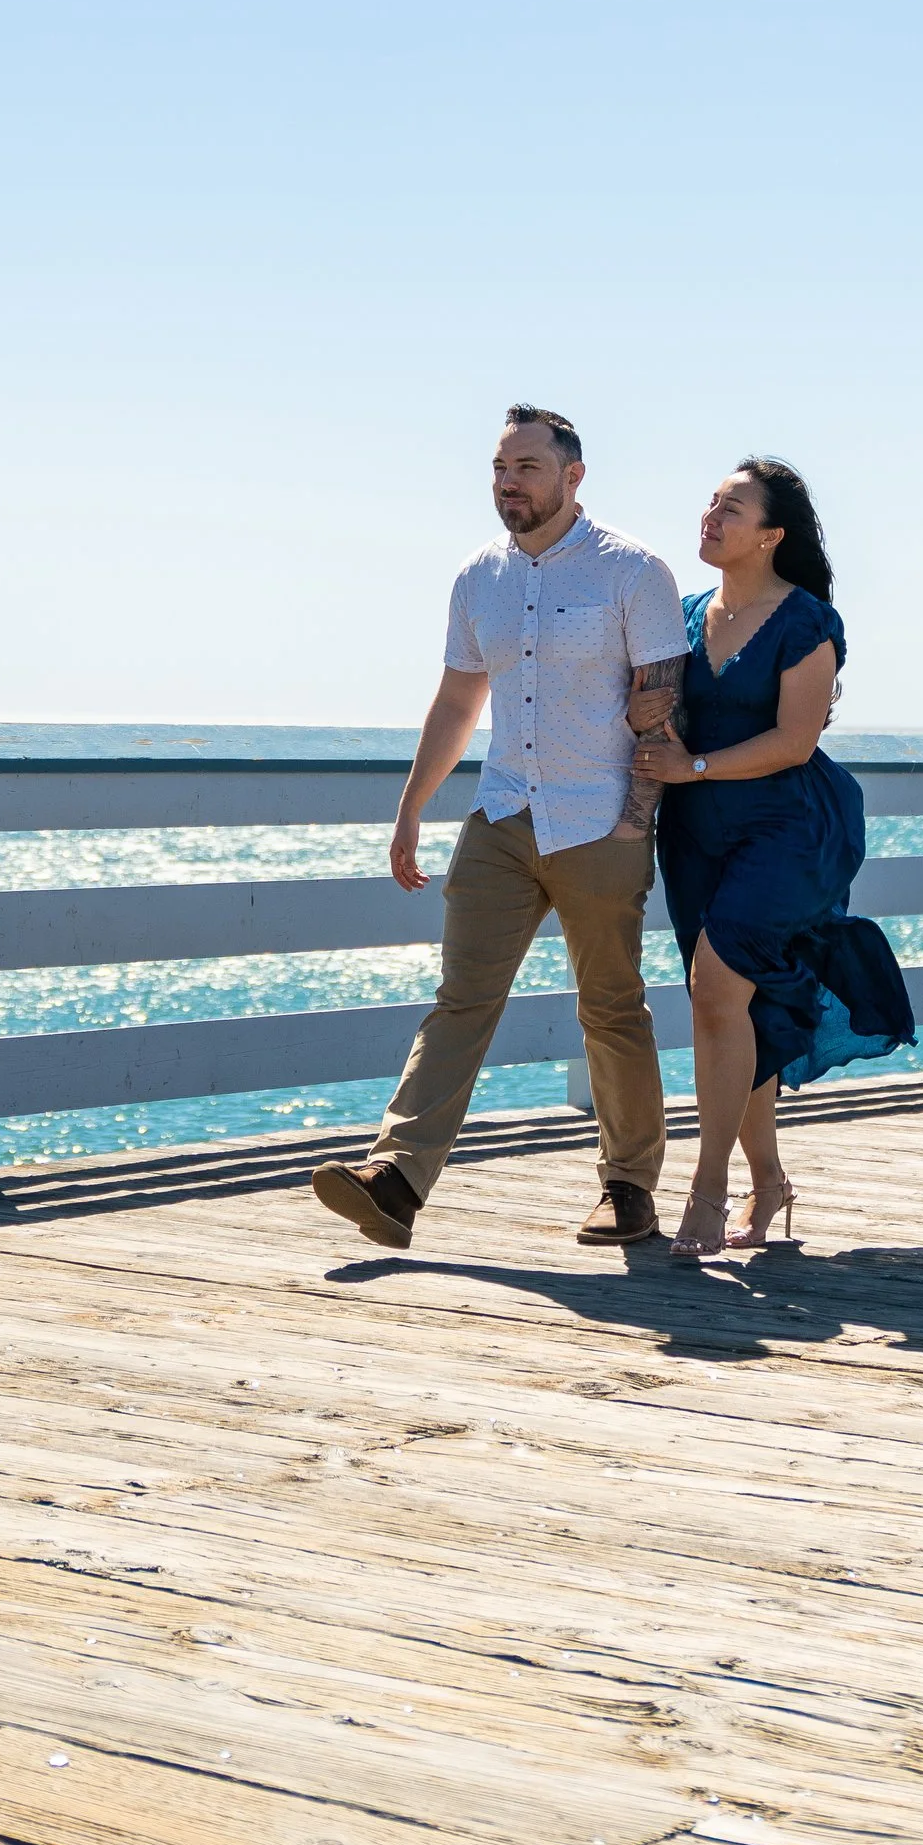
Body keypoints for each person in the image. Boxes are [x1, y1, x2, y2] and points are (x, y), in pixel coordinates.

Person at [311, 405, 687, 1252]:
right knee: (461, 1001)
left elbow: (662, 708)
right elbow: (456, 700)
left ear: (572, 476)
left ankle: (628, 1188)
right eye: (498, 467)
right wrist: (412, 808)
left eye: (525, 466)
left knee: (612, 1008)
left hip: (599, 821)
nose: (507, 481)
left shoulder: (634, 571)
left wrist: (636, 825)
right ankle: (397, 1179)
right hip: (503, 814)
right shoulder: (477, 577)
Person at [631, 458, 914, 1261]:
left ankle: (707, 1189)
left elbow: (796, 740)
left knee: (716, 985)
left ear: (771, 535)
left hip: (788, 828)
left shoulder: (806, 621)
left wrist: (694, 768)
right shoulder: (683, 616)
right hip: (695, 833)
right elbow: (660, 720)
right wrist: (649, 716)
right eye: (710, 502)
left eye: (731, 507)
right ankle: (769, 1182)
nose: (710, 516)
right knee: (732, 1009)